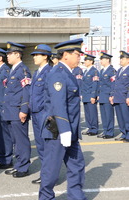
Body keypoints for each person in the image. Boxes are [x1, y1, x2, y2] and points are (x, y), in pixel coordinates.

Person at [39, 38, 86, 200]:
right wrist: (65, 131)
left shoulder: (68, 73)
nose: (80, 57)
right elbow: (58, 105)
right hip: (57, 131)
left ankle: (76, 196)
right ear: (65, 55)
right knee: (51, 169)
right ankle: (45, 198)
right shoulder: (58, 74)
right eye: (77, 54)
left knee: (77, 165)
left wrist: (70, 131)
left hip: (69, 131)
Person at [2, 41, 31, 178]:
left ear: (17, 54)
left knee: (21, 140)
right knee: (15, 140)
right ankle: (18, 164)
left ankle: (24, 167)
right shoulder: (13, 70)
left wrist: (24, 109)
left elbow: (27, 91)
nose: (7, 56)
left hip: (18, 111)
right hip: (10, 111)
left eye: (10, 54)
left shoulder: (23, 70)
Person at [29, 44, 53, 184]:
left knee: (47, 146)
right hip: (36, 113)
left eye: (37, 55)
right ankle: (46, 175)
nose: (34, 57)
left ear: (45, 56)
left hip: (44, 114)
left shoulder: (49, 72)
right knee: (40, 146)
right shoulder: (37, 72)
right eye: (34, 55)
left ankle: (49, 177)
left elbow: (49, 96)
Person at [110, 51, 129, 142]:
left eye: (123, 58)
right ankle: (123, 133)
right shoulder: (119, 71)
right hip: (117, 97)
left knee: (126, 117)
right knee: (120, 118)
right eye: (120, 58)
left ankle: (128, 135)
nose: (121, 60)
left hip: (124, 97)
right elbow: (115, 84)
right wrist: (112, 95)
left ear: (128, 60)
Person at [97, 52, 116, 139]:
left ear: (107, 60)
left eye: (102, 59)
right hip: (102, 95)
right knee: (103, 115)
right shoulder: (101, 71)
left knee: (109, 115)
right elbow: (99, 84)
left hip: (108, 95)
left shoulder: (112, 71)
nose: (101, 61)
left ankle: (110, 132)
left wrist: (112, 94)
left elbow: (113, 83)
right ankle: (105, 131)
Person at [81, 54, 99, 136]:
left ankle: (94, 129)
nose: (85, 62)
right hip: (85, 95)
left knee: (92, 113)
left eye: (86, 60)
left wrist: (93, 96)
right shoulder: (85, 71)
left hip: (90, 95)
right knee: (87, 113)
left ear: (91, 61)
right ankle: (89, 127)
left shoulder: (94, 71)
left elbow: (95, 84)